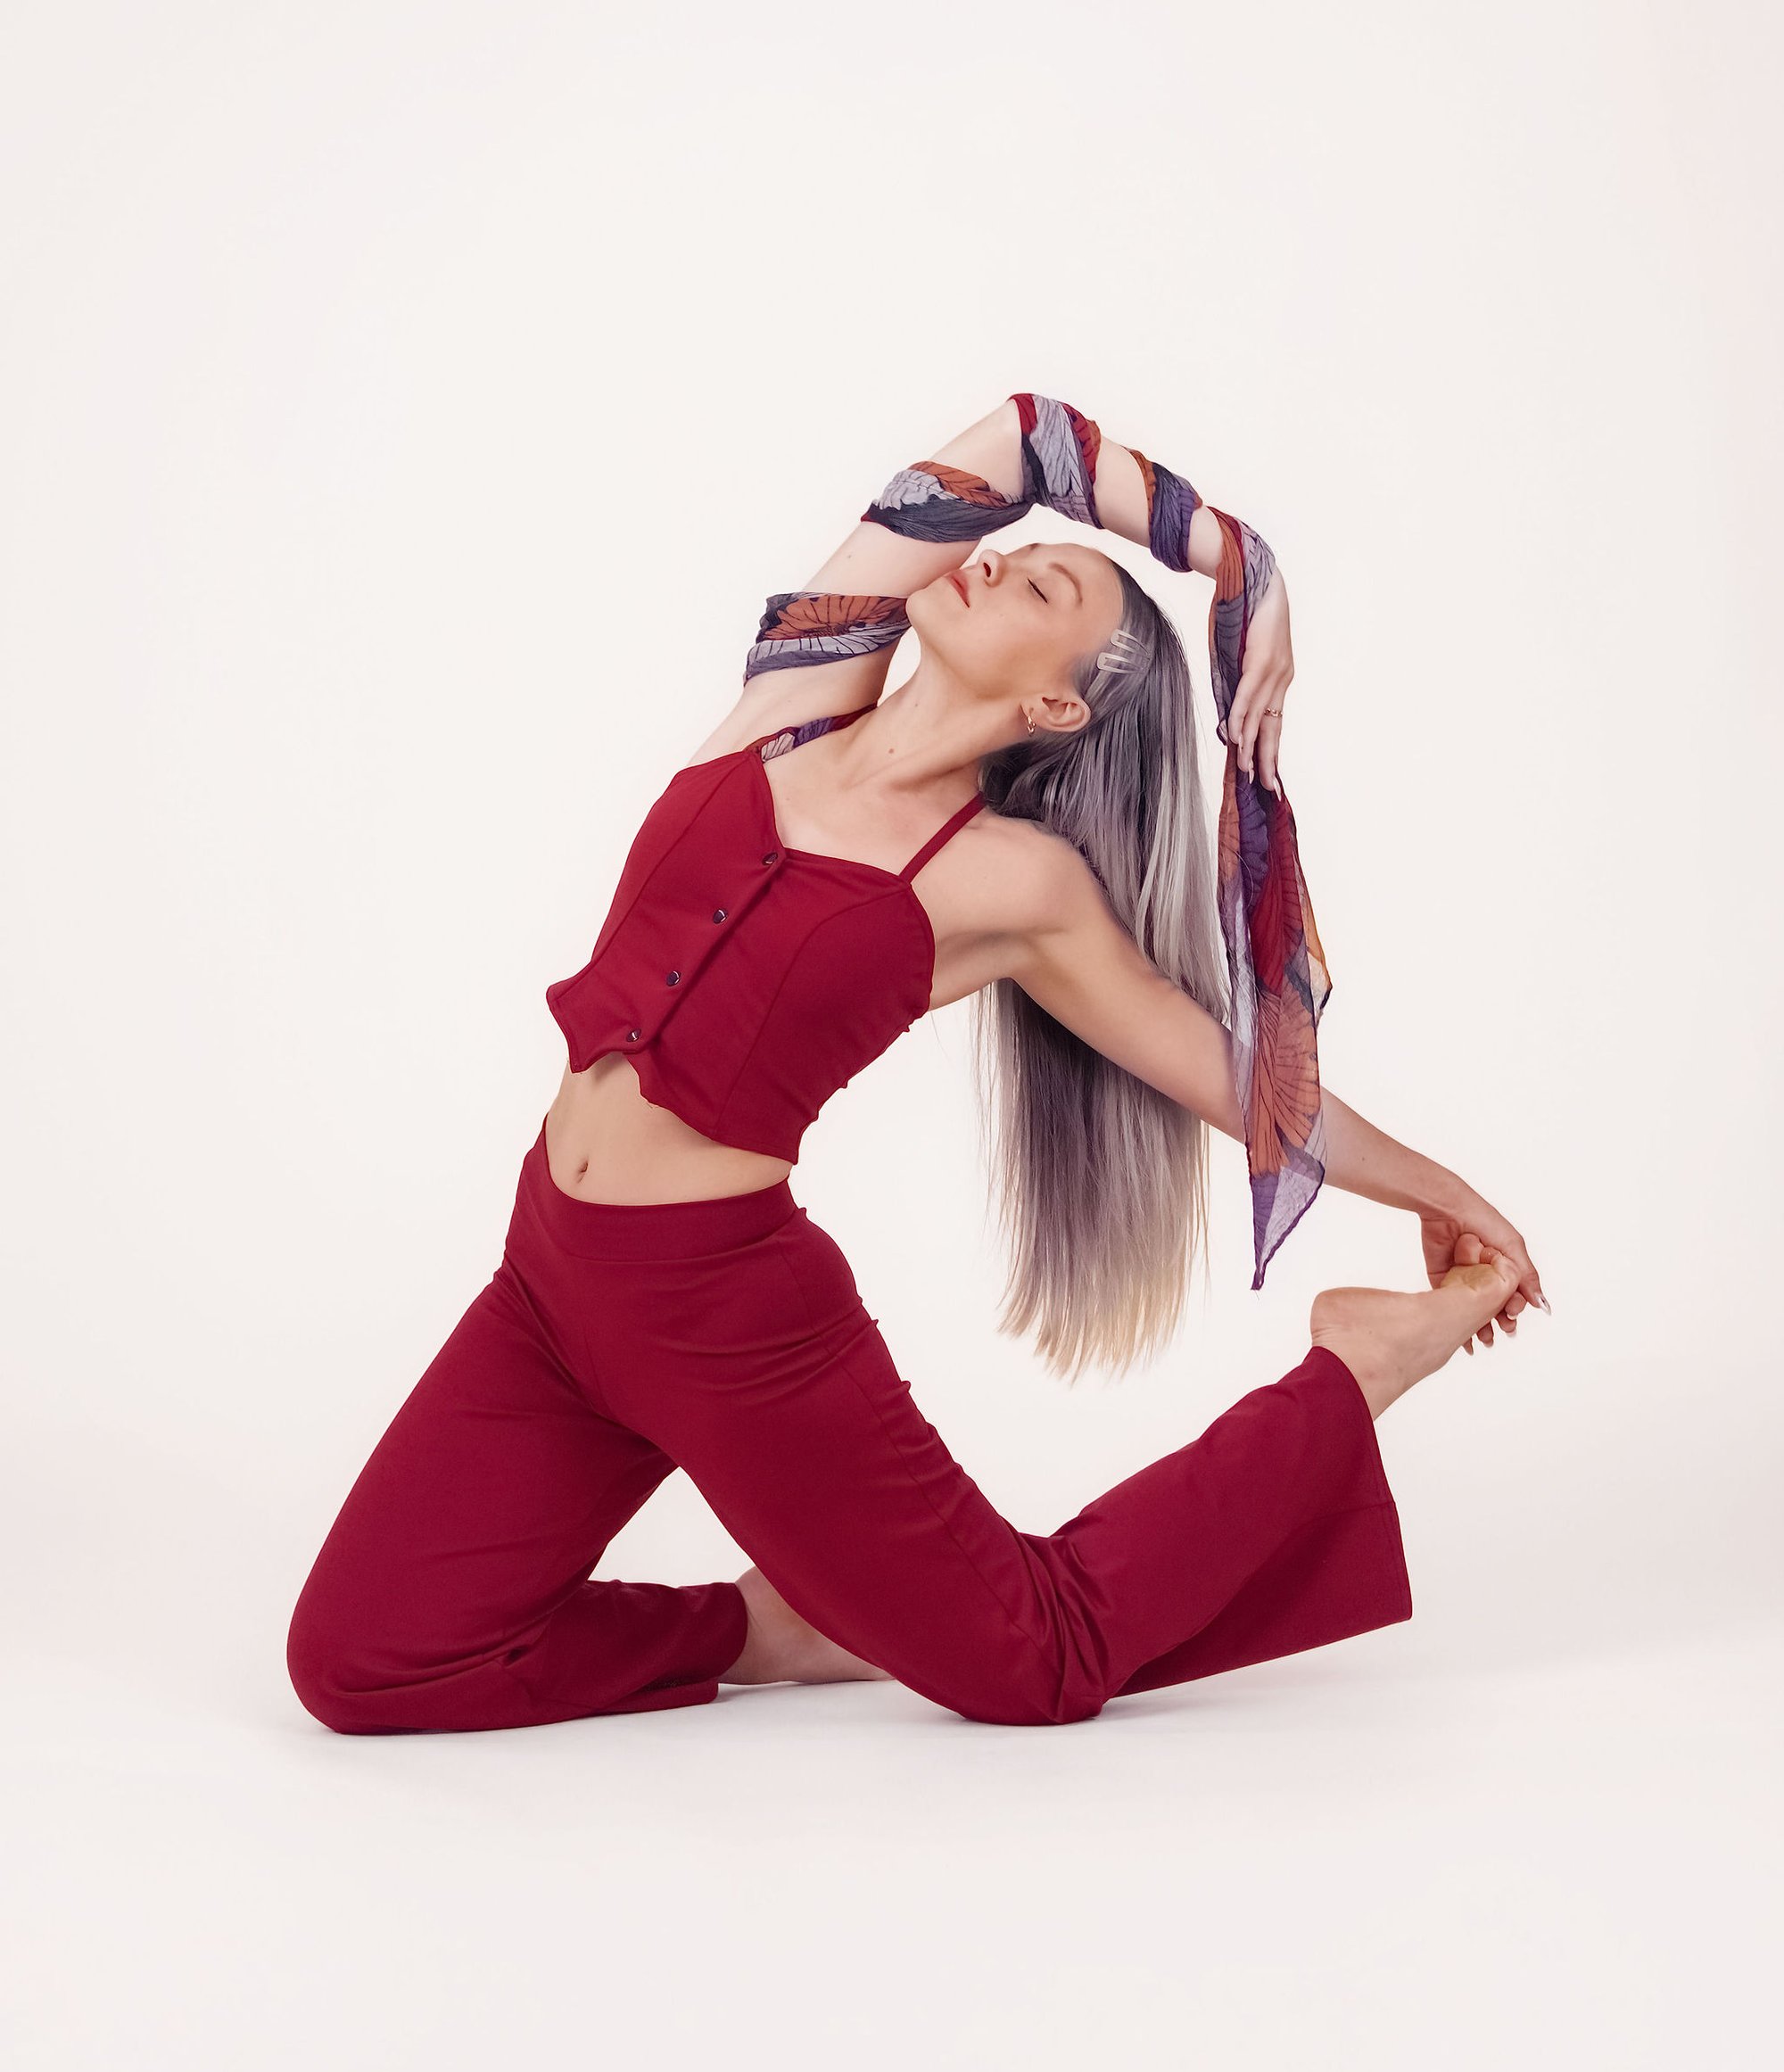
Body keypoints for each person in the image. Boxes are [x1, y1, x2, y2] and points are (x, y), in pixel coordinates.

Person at [285, 391, 1546, 1734]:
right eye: (1012, 552)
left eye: (1041, 584)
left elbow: (1230, 1080)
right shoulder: (795, 695)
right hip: (547, 1274)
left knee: (1039, 1658)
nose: (991, 557)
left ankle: (1358, 1366)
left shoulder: (1014, 885)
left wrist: (1437, 1191)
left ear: (1056, 701)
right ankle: (770, 1630)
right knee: (360, 1662)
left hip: (725, 1321)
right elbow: (1019, 439)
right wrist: (1238, 561)